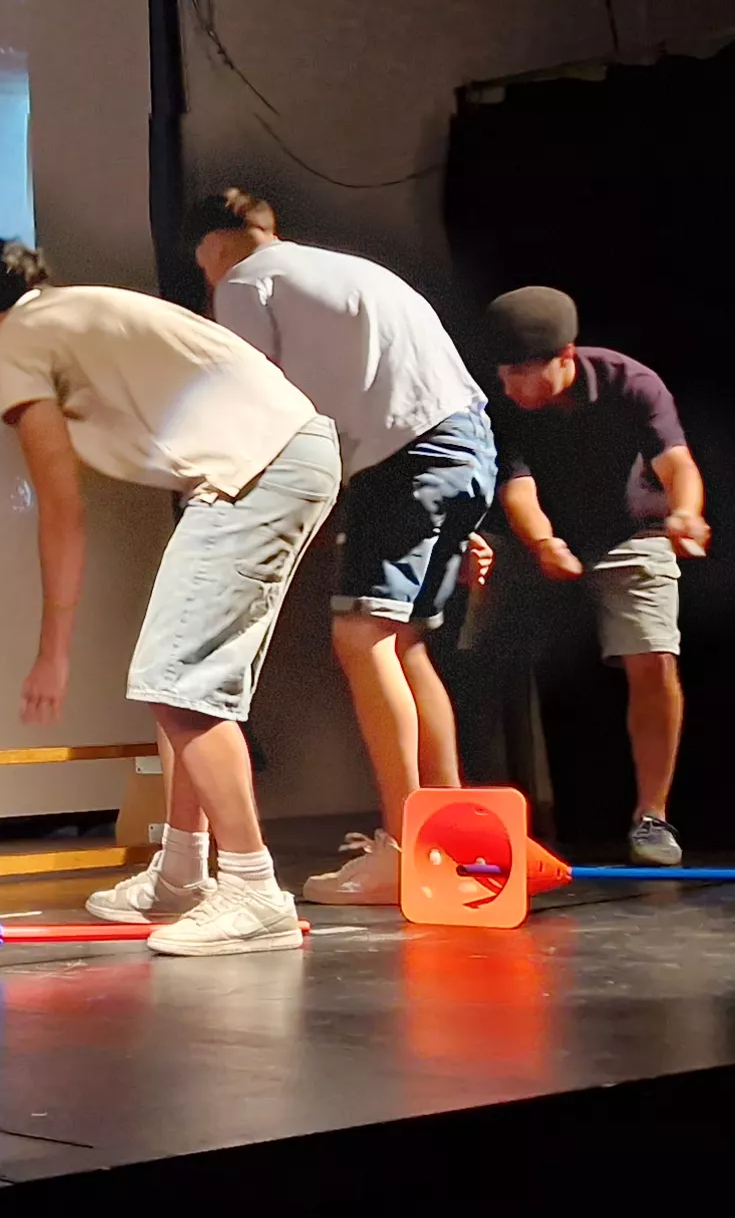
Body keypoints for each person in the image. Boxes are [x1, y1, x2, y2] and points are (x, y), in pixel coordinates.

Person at [0, 239, 336, 956]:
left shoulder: (12, 341)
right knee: (180, 676)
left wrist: (53, 652)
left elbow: (61, 507)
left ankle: (253, 890)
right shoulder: (78, 308)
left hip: (255, 468)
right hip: (284, 451)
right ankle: (184, 873)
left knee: (180, 679)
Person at [182, 190, 498, 906]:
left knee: (361, 637)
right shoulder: (345, 271)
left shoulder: (243, 283)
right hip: (464, 445)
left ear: (213, 246)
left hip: (407, 459)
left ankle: (407, 848)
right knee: (403, 641)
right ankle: (454, 845)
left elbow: (253, 405)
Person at [470, 286, 711, 866]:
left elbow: (675, 461)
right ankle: (483, 817)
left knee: (652, 656)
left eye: (529, 373)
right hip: (535, 537)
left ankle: (652, 817)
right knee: (480, 653)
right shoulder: (497, 401)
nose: (516, 387)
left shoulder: (630, 381)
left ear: (567, 356)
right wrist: (543, 542)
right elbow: (516, 484)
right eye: (507, 374)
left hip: (630, 533)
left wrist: (686, 512)